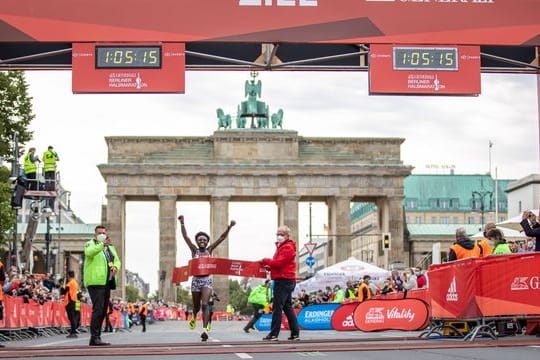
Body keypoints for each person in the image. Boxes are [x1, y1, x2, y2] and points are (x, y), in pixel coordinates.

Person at [178, 214, 236, 342]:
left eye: (204, 240)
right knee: (196, 306)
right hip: (195, 281)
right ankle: (194, 316)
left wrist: (229, 227)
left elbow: (221, 238)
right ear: (197, 242)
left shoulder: (210, 250)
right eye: (200, 240)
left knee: (205, 304)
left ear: (207, 242)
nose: (202, 241)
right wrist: (182, 223)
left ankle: (204, 330)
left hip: (206, 281)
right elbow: (185, 237)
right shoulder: (194, 250)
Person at [259, 225, 300, 341]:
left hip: (283, 280)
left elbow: (279, 263)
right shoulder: (283, 247)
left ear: (287, 235)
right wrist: (270, 267)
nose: (279, 236)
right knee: (287, 307)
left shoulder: (287, 247)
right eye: (278, 233)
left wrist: (265, 261)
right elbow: (280, 265)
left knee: (277, 307)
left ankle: (273, 334)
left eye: (282, 234)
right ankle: (295, 333)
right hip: (286, 279)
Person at [83, 226, 121, 346]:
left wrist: (116, 267)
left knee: (103, 310)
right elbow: (89, 253)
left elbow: (117, 260)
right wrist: (101, 245)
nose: (102, 235)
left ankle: (96, 336)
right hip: (95, 281)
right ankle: (94, 337)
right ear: (95, 234)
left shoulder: (110, 248)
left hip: (107, 282)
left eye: (104, 233)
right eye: (100, 233)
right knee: (98, 309)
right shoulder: (90, 244)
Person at [62, 270, 80, 338]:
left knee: (71, 317)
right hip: (74, 301)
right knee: (74, 317)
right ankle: (73, 331)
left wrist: (64, 282)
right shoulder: (75, 283)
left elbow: (63, 291)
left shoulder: (70, 283)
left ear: (68, 276)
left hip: (70, 302)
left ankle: (73, 332)